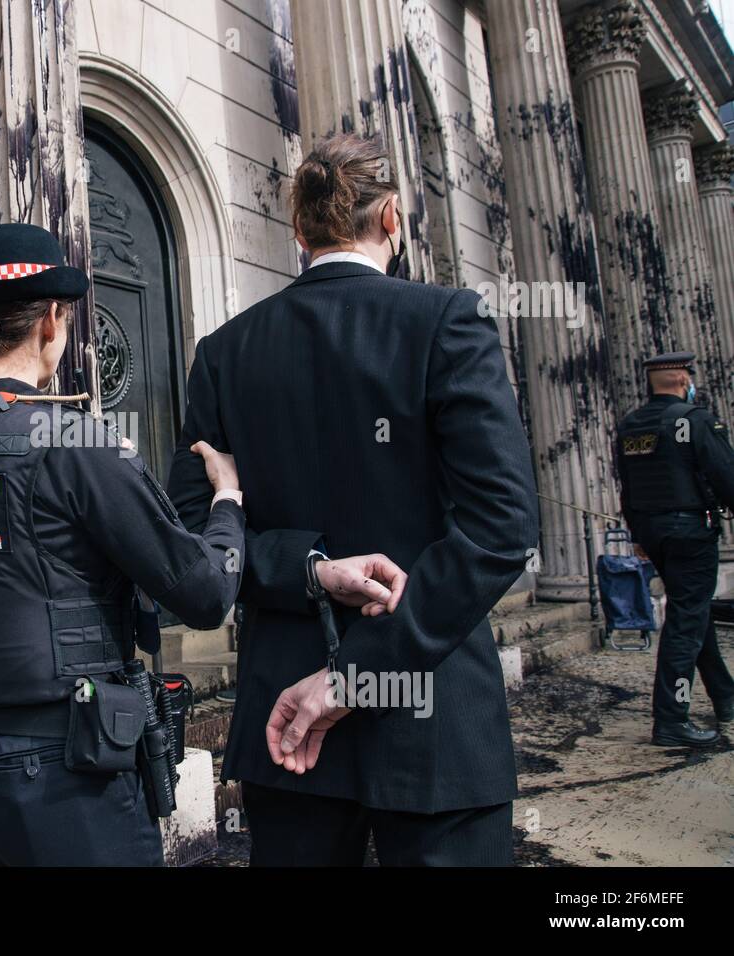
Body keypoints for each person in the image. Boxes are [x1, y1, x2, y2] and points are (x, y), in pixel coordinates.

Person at [0, 222, 403, 866]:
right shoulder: (72, 445)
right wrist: (227, 500)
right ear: (52, 320)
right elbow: (206, 592)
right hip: (62, 781)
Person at [167, 133, 539, 866]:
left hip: (285, 727)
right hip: (433, 722)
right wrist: (355, 675)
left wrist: (305, 567)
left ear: (298, 234)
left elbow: (193, 538)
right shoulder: (449, 321)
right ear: (393, 217)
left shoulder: (225, 354)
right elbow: (500, 528)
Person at [616, 351, 734, 747]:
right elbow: (725, 474)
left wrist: (636, 534)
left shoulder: (632, 425)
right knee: (686, 620)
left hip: (653, 531)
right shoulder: (695, 420)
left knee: (692, 611)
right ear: (684, 379)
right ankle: (671, 718)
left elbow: (627, 486)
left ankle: (726, 697)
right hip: (690, 532)